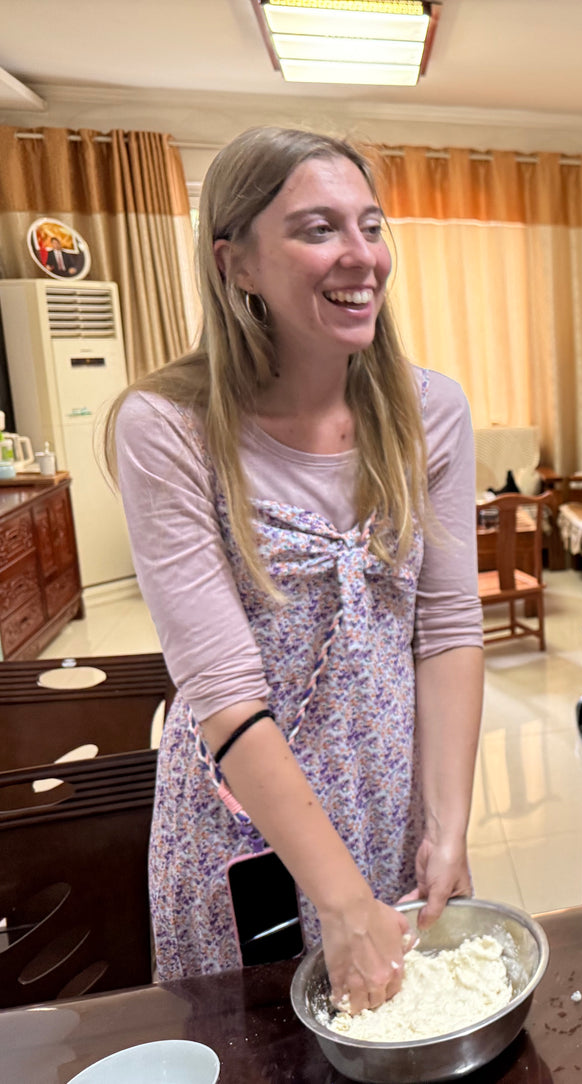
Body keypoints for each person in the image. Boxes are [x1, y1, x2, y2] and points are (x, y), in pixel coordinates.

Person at [107, 127, 485, 1012]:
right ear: (236, 264)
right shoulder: (167, 427)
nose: (362, 258)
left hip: (389, 795)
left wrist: (447, 820)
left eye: (371, 225)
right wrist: (341, 899)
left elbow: (449, 629)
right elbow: (223, 690)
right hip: (246, 823)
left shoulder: (431, 410)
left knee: (397, 1028)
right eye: (318, 229)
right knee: (266, 1038)